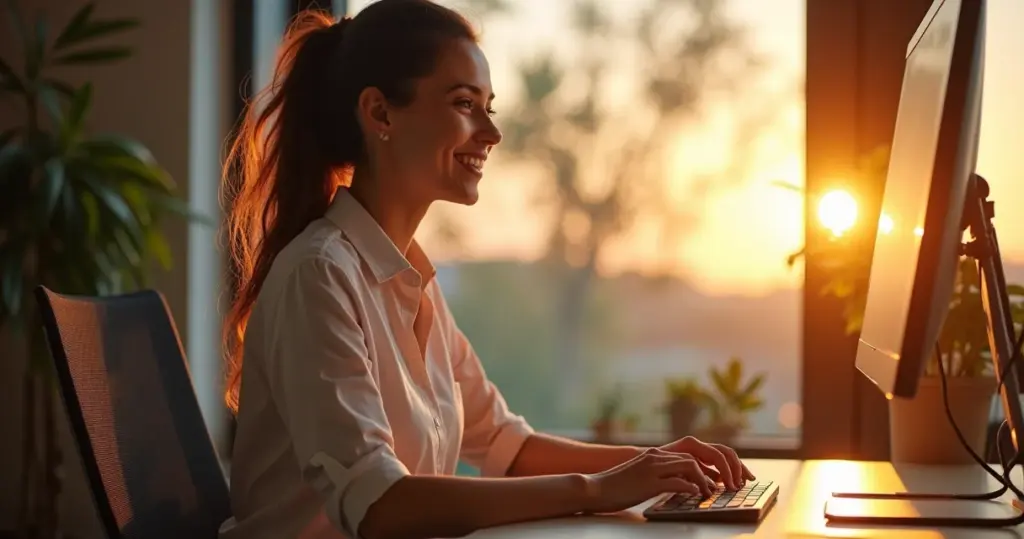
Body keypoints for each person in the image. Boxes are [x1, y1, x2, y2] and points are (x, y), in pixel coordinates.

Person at [217, 1, 755, 538]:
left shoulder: (412, 280)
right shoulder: (319, 275)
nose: (491, 133)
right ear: (380, 113)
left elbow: (506, 445)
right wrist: (598, 490)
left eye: (488, 106)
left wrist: (655, 464)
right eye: (464, 103)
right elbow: (380, 505)